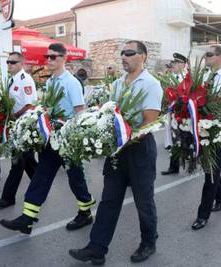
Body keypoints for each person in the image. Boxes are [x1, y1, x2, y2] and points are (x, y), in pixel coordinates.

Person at [69, 40, 163, 265]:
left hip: (140, 149)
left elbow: (149, 122)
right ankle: (96, 248)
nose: (124, 57)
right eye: (122, 53)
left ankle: (148, 242)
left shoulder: (151, 84)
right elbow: (111, 115)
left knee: (144, 201)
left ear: (143, 56)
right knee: (109, 200)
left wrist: (125, 138)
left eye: (129, 53)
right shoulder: (119, 84)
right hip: (117, 151)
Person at [0, 43, 96, 234]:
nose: (49, 60)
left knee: (76, 178)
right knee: (41, 176)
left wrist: (74, 138)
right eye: (47, 57)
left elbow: (79, 111)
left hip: (67, 139)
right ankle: (27, 219)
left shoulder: (71, 82)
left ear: (64, 58)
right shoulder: (51, 81)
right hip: (51, 139)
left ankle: (85, 212)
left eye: (54, 57)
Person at [190, 45, 221, 231]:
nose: (206, 57)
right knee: (208, 166)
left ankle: (203, 215)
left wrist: (212, 105)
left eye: (209, 55)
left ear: (220, 57)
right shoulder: (203, 76)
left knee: (212, 171)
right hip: (203, 125)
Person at [0, 52, 38, 209]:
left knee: (17, 163)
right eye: (8, 62)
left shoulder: (26, 80)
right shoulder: (11, 80)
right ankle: (40, 187)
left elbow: (30, 104)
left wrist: (14, 115)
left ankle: (8, 197)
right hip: (15, 125)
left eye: (13, 62)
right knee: (28, 163)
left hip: (23, 125)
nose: (9, 65)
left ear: (21, 63)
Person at [162, 52, 188, 173]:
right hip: (171, 113)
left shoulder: (188, 78)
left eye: (178, 63)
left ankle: (191, 164)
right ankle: (174, 166)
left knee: (185, 139)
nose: (175, 65)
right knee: (173, 139)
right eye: (174, 62)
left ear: (184, 64)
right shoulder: (171, 77)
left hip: (183, 114)